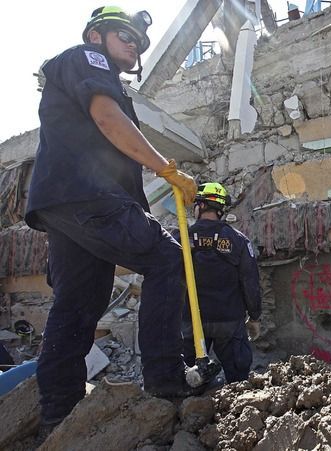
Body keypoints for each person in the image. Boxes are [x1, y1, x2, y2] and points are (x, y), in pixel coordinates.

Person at [24, 6, 200, 429]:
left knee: (79, 301)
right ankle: (165, 377)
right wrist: (166, 168)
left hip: (63, 203)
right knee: (167, 258)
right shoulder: (88, 59)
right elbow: (106, 118)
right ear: (96, 36)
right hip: (88, 194)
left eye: (138, 42)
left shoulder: (90, 75)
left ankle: (57, 413)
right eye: (124, 35)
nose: (133, 44)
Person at [175, 182, 262, 384]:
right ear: (221, 209)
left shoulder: (180, 238)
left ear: (201, 206)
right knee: (238, 380)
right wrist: (255, 317)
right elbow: (250, 283)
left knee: (186, 379)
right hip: (229, 321)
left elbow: (166, 280)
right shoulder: (238, 241)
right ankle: (237, 412)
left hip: (190, 322)